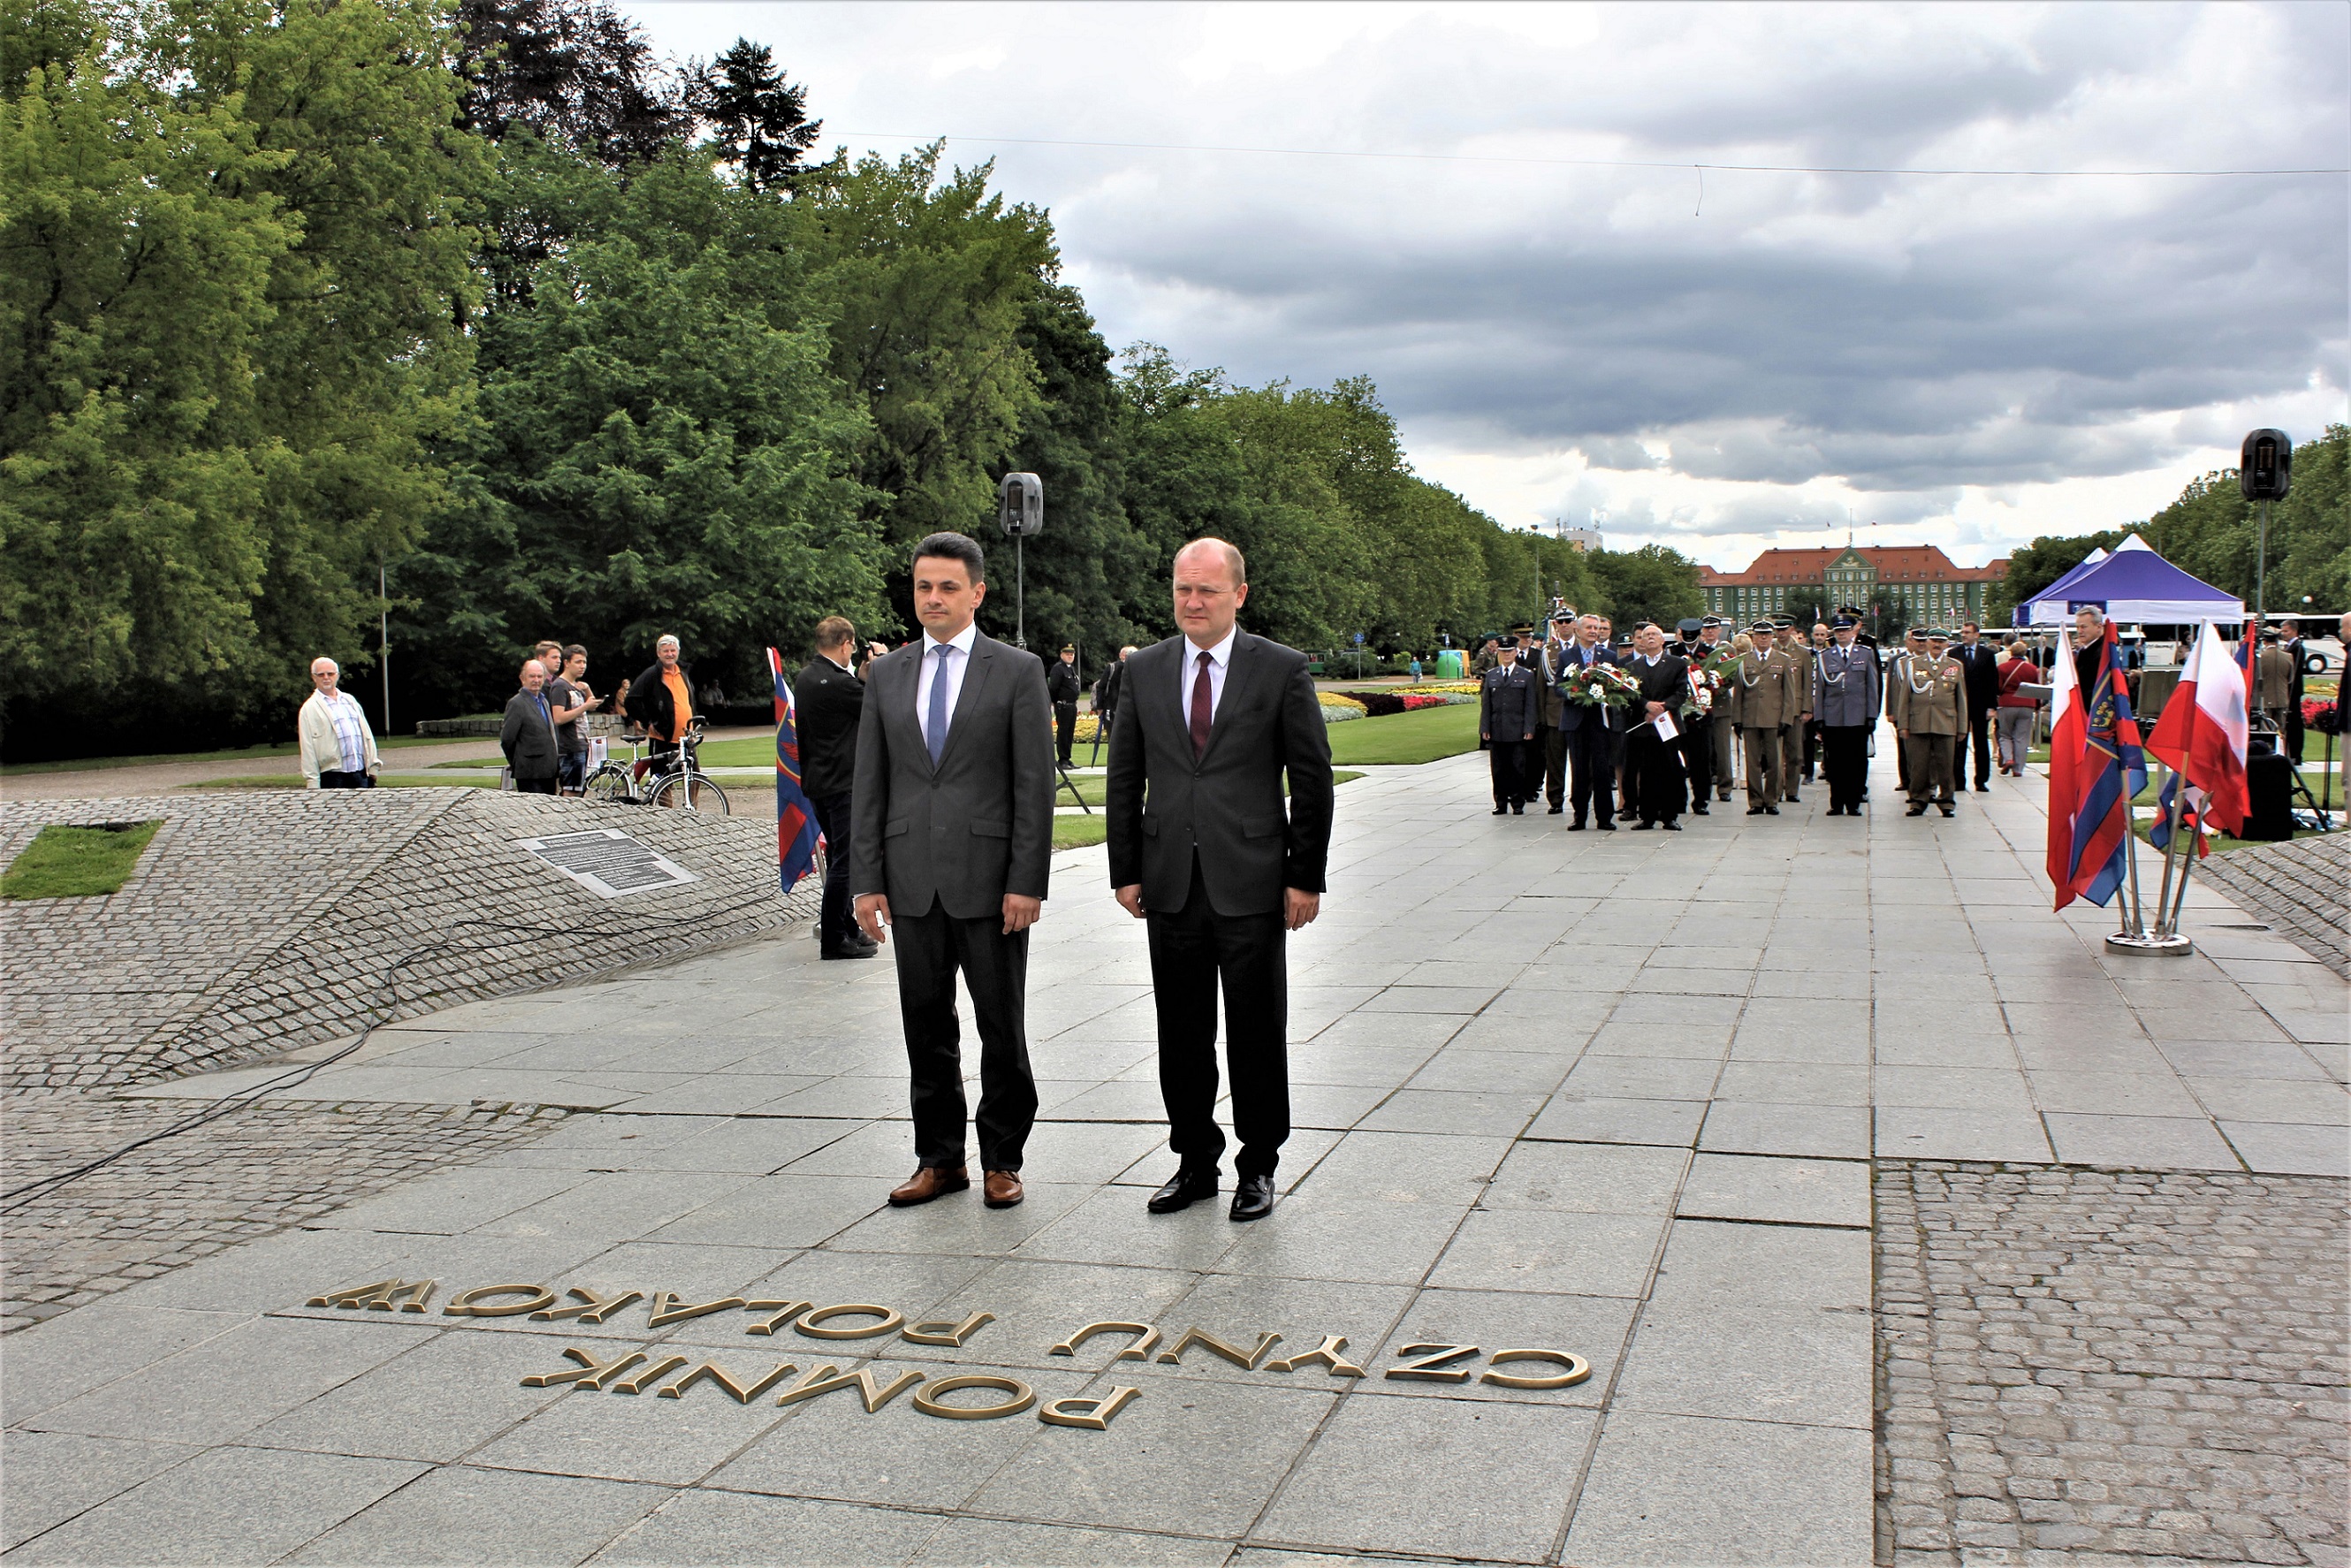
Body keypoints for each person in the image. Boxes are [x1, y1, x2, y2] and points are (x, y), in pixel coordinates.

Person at [1105, 540, 1333, 1224]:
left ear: (1239, 593)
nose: (1193, 603)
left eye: (1206, 590)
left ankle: (1258, 1164)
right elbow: (1124, 776)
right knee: (1181, 1031)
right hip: (1171, 881)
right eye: (1182, 590)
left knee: (1256, 1030)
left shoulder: (1281, 669)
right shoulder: (1144, 670)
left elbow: (1312, 779)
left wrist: (1304, 876)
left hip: (1254, 882)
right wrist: (1125, 869)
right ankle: (1194, 1161)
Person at [852, 533, 1054, 1212]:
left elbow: (1034, 786)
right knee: (925, 1026)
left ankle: (1002, 1158)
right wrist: (866, 880)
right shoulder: (885, 674)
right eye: (922, 587)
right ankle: (939, 1161)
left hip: (993, 884)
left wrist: (1027, 881)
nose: (932, 599)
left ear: (977, 592)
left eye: (946, 587)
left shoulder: (1017, 670)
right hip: (911, 881)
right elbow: (870, 784)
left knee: (1002, 1026)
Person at [797, 617, 879, 962]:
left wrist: (860, 675)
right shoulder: (836, 683)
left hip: (819, 780)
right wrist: (878, 669)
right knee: (846, 862)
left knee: (838, 857)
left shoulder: (807, 676)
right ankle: (833, 936)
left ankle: (846, 926)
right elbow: (876, 705)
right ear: (845, 643)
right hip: (842, 782)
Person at [1729, 619, 1806, 816]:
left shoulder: (1783, 660)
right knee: (1753, 762)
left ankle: (1771, 800)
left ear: (1772, 637)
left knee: (1774, 762)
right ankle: (1755, 801)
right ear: (1753, 638)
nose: (1763, 638)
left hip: (1774, 718)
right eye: (1759, 635)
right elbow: (1739, 692)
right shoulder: (1744, 660)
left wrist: (1787, 719)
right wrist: (1736, 718)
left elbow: (1788, 693)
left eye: (1767, 635)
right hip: (1750, 717)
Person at [1618, 622, 1689, 829]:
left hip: (1667, 725)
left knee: (1669, 771)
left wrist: (1663, 708)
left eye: (1654, 635)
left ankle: (1669, 816)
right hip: (1643, 727)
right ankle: (1647, 816)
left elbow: (1681, 693)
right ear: (1640, 641)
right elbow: (1630, 694)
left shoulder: (1677, 664)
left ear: (1662, 641)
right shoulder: (1632, 667)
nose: (1649, 638)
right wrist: (1645, 706)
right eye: (1645, 635)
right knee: (1646, 773)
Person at [1890, 628, 1966, 817]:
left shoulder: (1955, 666)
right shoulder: (1914, 664)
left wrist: (1962, 727)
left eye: (1941, 641)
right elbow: (1905, 696)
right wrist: (1904, 724)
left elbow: (1961, 698)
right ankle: (1917, 800)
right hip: (1919, 722)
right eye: (1934, 640)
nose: (1937, 644)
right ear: (1928, 642)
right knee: (1918, 766)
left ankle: (1947, 802)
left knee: (1946, 766)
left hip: (1945, 722)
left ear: (1947, 644)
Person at [1556, 613, 1621, 832]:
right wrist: (1571, 694)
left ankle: (1604, 817)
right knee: (1579, 769)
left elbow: (1616, 683)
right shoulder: (1566, 656)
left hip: (1599, 720)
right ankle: (1579, 816)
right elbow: (1558, 685)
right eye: (1590, 628)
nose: (1595, 631)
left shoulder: (1609, 655)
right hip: (1575, 720)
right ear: (1578, 630)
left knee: (1602, 770)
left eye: (1598, 628)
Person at [1812, 618, 1881, 817]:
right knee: (1835, 763)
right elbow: (1820, 688)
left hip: (1857, 717)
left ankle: (1853, 802)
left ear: (1853, 632)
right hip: (1833, 717)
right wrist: (1820, 717)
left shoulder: (1865, 654)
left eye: (1845, 630)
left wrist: (1871, 715)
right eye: (1838, 631)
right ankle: (1837, 803)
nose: (1842, 634)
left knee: (1857, 762)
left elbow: (1872, 686)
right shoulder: (1825, 656)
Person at [1479, 635, 1539, 815]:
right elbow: (1486, 705)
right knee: (1498, 769)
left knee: (1517, 767)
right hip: (1497, 728)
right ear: (1498, 652)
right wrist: (1484, 728)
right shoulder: (1491, 675)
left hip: (1517, 728)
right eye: (1503, 651)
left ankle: (1517, 802)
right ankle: (1500, 801)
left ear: (1515, 652)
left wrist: (1529, 728)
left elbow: (1530, 704)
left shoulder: (1526, 675)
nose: (1506, 655)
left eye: (1510, 651)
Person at [299, 657, 380, 788]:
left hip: (360, 773)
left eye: (330, 674)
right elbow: (307, 748)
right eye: (321, 674)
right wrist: (312, 782)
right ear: (314, 677)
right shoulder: (309, 709)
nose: (326, 678)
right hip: (332, 775)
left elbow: (367, 735)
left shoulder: (349, 701)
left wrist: (373, 767)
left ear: (337, 675)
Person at [629, 636, 698, 778]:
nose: (670, 654)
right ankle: (662, 801)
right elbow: (631, 700)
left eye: (673, 650)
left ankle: (692, 802)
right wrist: (648, 722)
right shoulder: (652, 674)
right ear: (659, 653)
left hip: (686, 738)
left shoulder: (683, 673)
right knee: (662, 780)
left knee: (694, 777)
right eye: (666, 651)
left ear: (678, 652)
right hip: (663, 738)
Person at [1531, 610, 1578, 814]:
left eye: (1568, 621)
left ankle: (1580, 796)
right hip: (1554, 712)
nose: (1565, 625)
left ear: (1575, 624)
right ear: (1556, 625)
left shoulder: (1583, 647)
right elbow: (1541, 685)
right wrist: (1540, 715)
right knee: (1555, 760)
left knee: (1580, 759)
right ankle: (1556, 798)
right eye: (1561, 622)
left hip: (1578, 711)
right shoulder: (1548, 650)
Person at [1952, 621, 2000, 794]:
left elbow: (1992, 682)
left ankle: (1981, 780)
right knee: (1959, 743)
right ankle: (1958, 780)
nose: (1963, 635)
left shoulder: (1987, 655)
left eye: (1967, 632)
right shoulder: (1954, 653)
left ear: (1976, 635)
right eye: (1962, 632)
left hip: (1980, 705)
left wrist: (1992, 706)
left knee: (1980, 743)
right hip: (1960, 705)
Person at [499, 659, 561, 795]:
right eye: (532, 676)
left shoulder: (544, 701)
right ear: (523, 678)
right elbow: (507, 739)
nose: (536, 680)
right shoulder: (517, 703)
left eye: (539, 676)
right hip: (529, 772)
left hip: (549, 771)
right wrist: (517, 762)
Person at [546, 644, 594, 795]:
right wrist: (585, 706)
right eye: (578, 662)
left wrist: (586, 690)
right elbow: (558, 718)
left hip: (581, 745)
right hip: (570, 747)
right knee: (571, 792)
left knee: (578, 789)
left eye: (584, 662)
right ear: (567, 663)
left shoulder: (574, 686)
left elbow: (592, 705)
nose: (582, 666)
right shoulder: (560, 686)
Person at [1994, 640, 2040, 777]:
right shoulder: (2032, 669)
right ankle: (2018, 769)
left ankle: (2008, 758)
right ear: (2025, 653)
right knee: (2021, 737)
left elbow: (1998, 688)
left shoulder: (2002, 668)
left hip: (2007, 703)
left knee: (2005, 734)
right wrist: (2037, 705)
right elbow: (2036, 689)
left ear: (2011, 653)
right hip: (2027, 704)